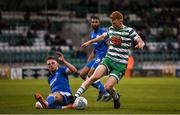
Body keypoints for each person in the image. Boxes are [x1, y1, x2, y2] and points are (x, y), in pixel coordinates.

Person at [74, 11, 145, 109]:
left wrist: (140, 44)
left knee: (107, 87)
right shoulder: (111, 29)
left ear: (120, 21)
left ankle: (116, 97)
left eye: (114, 22)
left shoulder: (129, 30)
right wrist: (90, 42)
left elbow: (139, 40)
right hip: (108, 60)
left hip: (120, 65)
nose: (113, 24)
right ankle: (75, 96)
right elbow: (102, 37)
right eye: (112, 22)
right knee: (93, 77)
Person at [76, 16, 112, 101]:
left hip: (102, 57)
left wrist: (106, 58)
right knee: (82, 74)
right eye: (93, 22)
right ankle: (102, 89)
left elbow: (109, 45)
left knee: (90, 74)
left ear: (99, 23)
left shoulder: (103, 32)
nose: (94, 23)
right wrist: (92, 54)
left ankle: (106, 94)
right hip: (96, 56)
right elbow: (96, 47)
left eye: (96, 22)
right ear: (91, 23)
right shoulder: (92, 33)